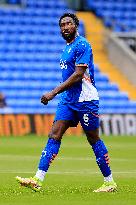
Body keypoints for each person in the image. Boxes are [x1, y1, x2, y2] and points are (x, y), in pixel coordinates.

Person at [16, 13, 117, 192]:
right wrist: (59, 95)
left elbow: (78, 75)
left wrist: (53, 92)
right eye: (62, 25)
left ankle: (109, 182)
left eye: (69, 23)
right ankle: (37, 179)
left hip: (86, 100)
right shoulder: (66, 49)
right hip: (68, 101)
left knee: (93, 139)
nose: (65, 27)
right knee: (54, 134)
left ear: (76, 26)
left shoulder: (82, 44)